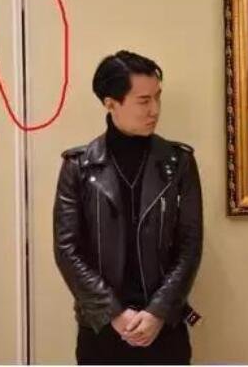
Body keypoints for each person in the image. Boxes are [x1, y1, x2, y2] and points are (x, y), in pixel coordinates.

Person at [53, 50, 203, 365]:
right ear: (111, 104)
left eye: (158, 98)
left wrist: (158, 311)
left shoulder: (178, 163)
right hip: (101, 327)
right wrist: (114, 313)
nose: (155, 110)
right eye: (144, 101)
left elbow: (190, 245)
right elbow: (67, 250)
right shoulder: (79, 166)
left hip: (164, 327)